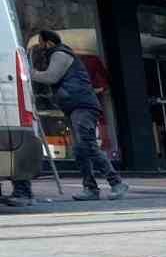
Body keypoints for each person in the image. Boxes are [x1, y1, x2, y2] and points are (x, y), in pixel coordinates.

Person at [31, 30, 127, 202]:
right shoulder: (56, 54)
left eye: (40, 42)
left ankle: (117, 183)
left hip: (83, 105)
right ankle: (90, 188)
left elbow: (51, 77)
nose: (39, 46)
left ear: (49, 43)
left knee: (87, 145)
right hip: (74, 106)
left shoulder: (60, 54)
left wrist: (29, 73)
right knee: (80, 150)